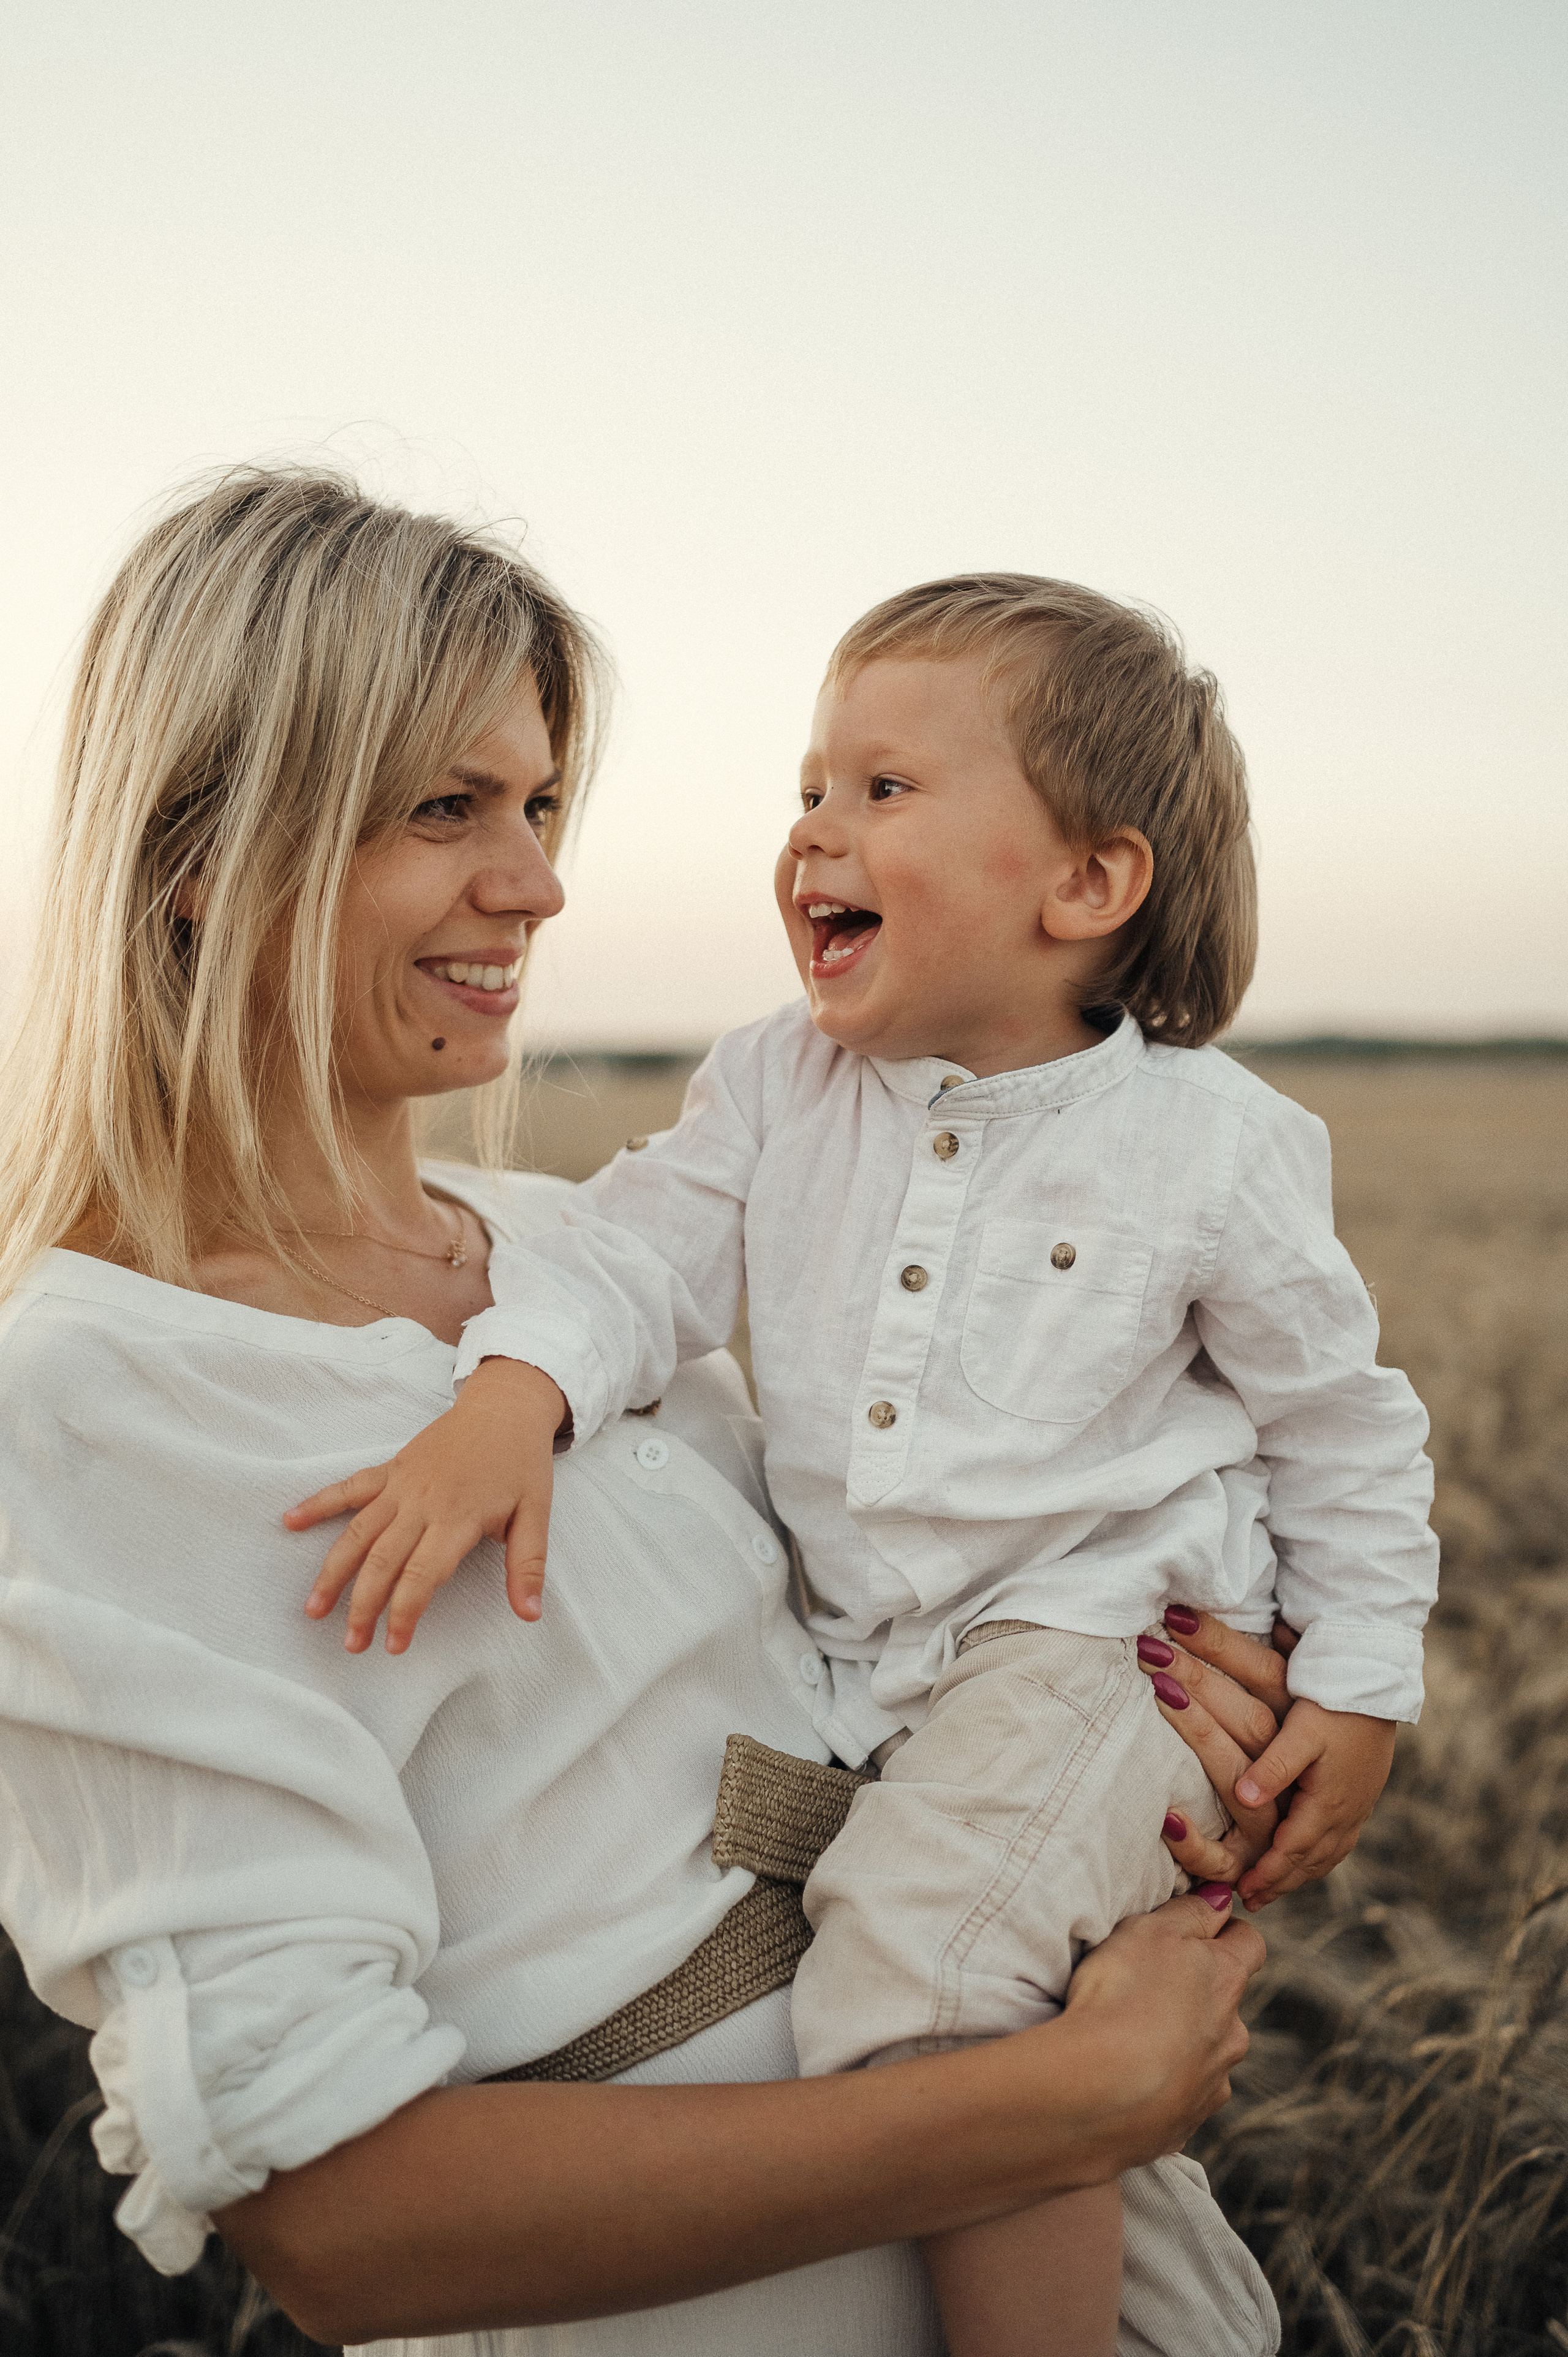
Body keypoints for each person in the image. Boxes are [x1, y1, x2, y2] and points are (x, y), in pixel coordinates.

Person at [0, 469, 1280, 2357]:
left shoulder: (571, 1255)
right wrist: (1054, 2106)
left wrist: (1154, 1671)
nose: (533, 882)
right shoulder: (91, 1398)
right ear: (203, 847)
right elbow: (341, 2222)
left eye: (533, 804)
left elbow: (864, 1656)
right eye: (445, 810)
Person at [300, 575, 1439, 2355]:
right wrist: (515, 1393)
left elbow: (1345, 1428)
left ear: (1087, 886)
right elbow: (634, 1256)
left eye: (884, 793)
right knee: (1004, 2030)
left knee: (921, 1997)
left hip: (1097, 1652)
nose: (814, 831)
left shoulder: (1210, 1146)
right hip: (880, 1685)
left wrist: (1359, 1689)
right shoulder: (774, 1087)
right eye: (809, 789)